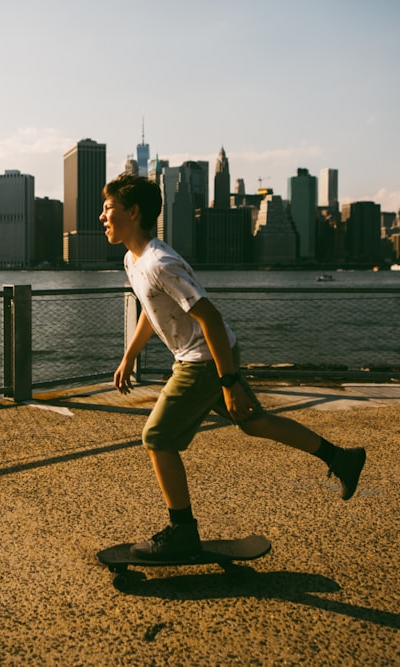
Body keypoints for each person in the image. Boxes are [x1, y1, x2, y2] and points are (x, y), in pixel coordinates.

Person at [101, 173, 366, 559]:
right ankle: (342, 458)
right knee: (253, 422)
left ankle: (182, 532)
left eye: (109, 208)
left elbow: (209, 317)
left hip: (205, 359)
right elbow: (151, 309)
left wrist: (229, 382)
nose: (102, 216)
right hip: (204, 356)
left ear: (134, 211)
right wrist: (129, 356)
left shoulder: (161, 262)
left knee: (157, 437)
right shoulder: (133, 260)